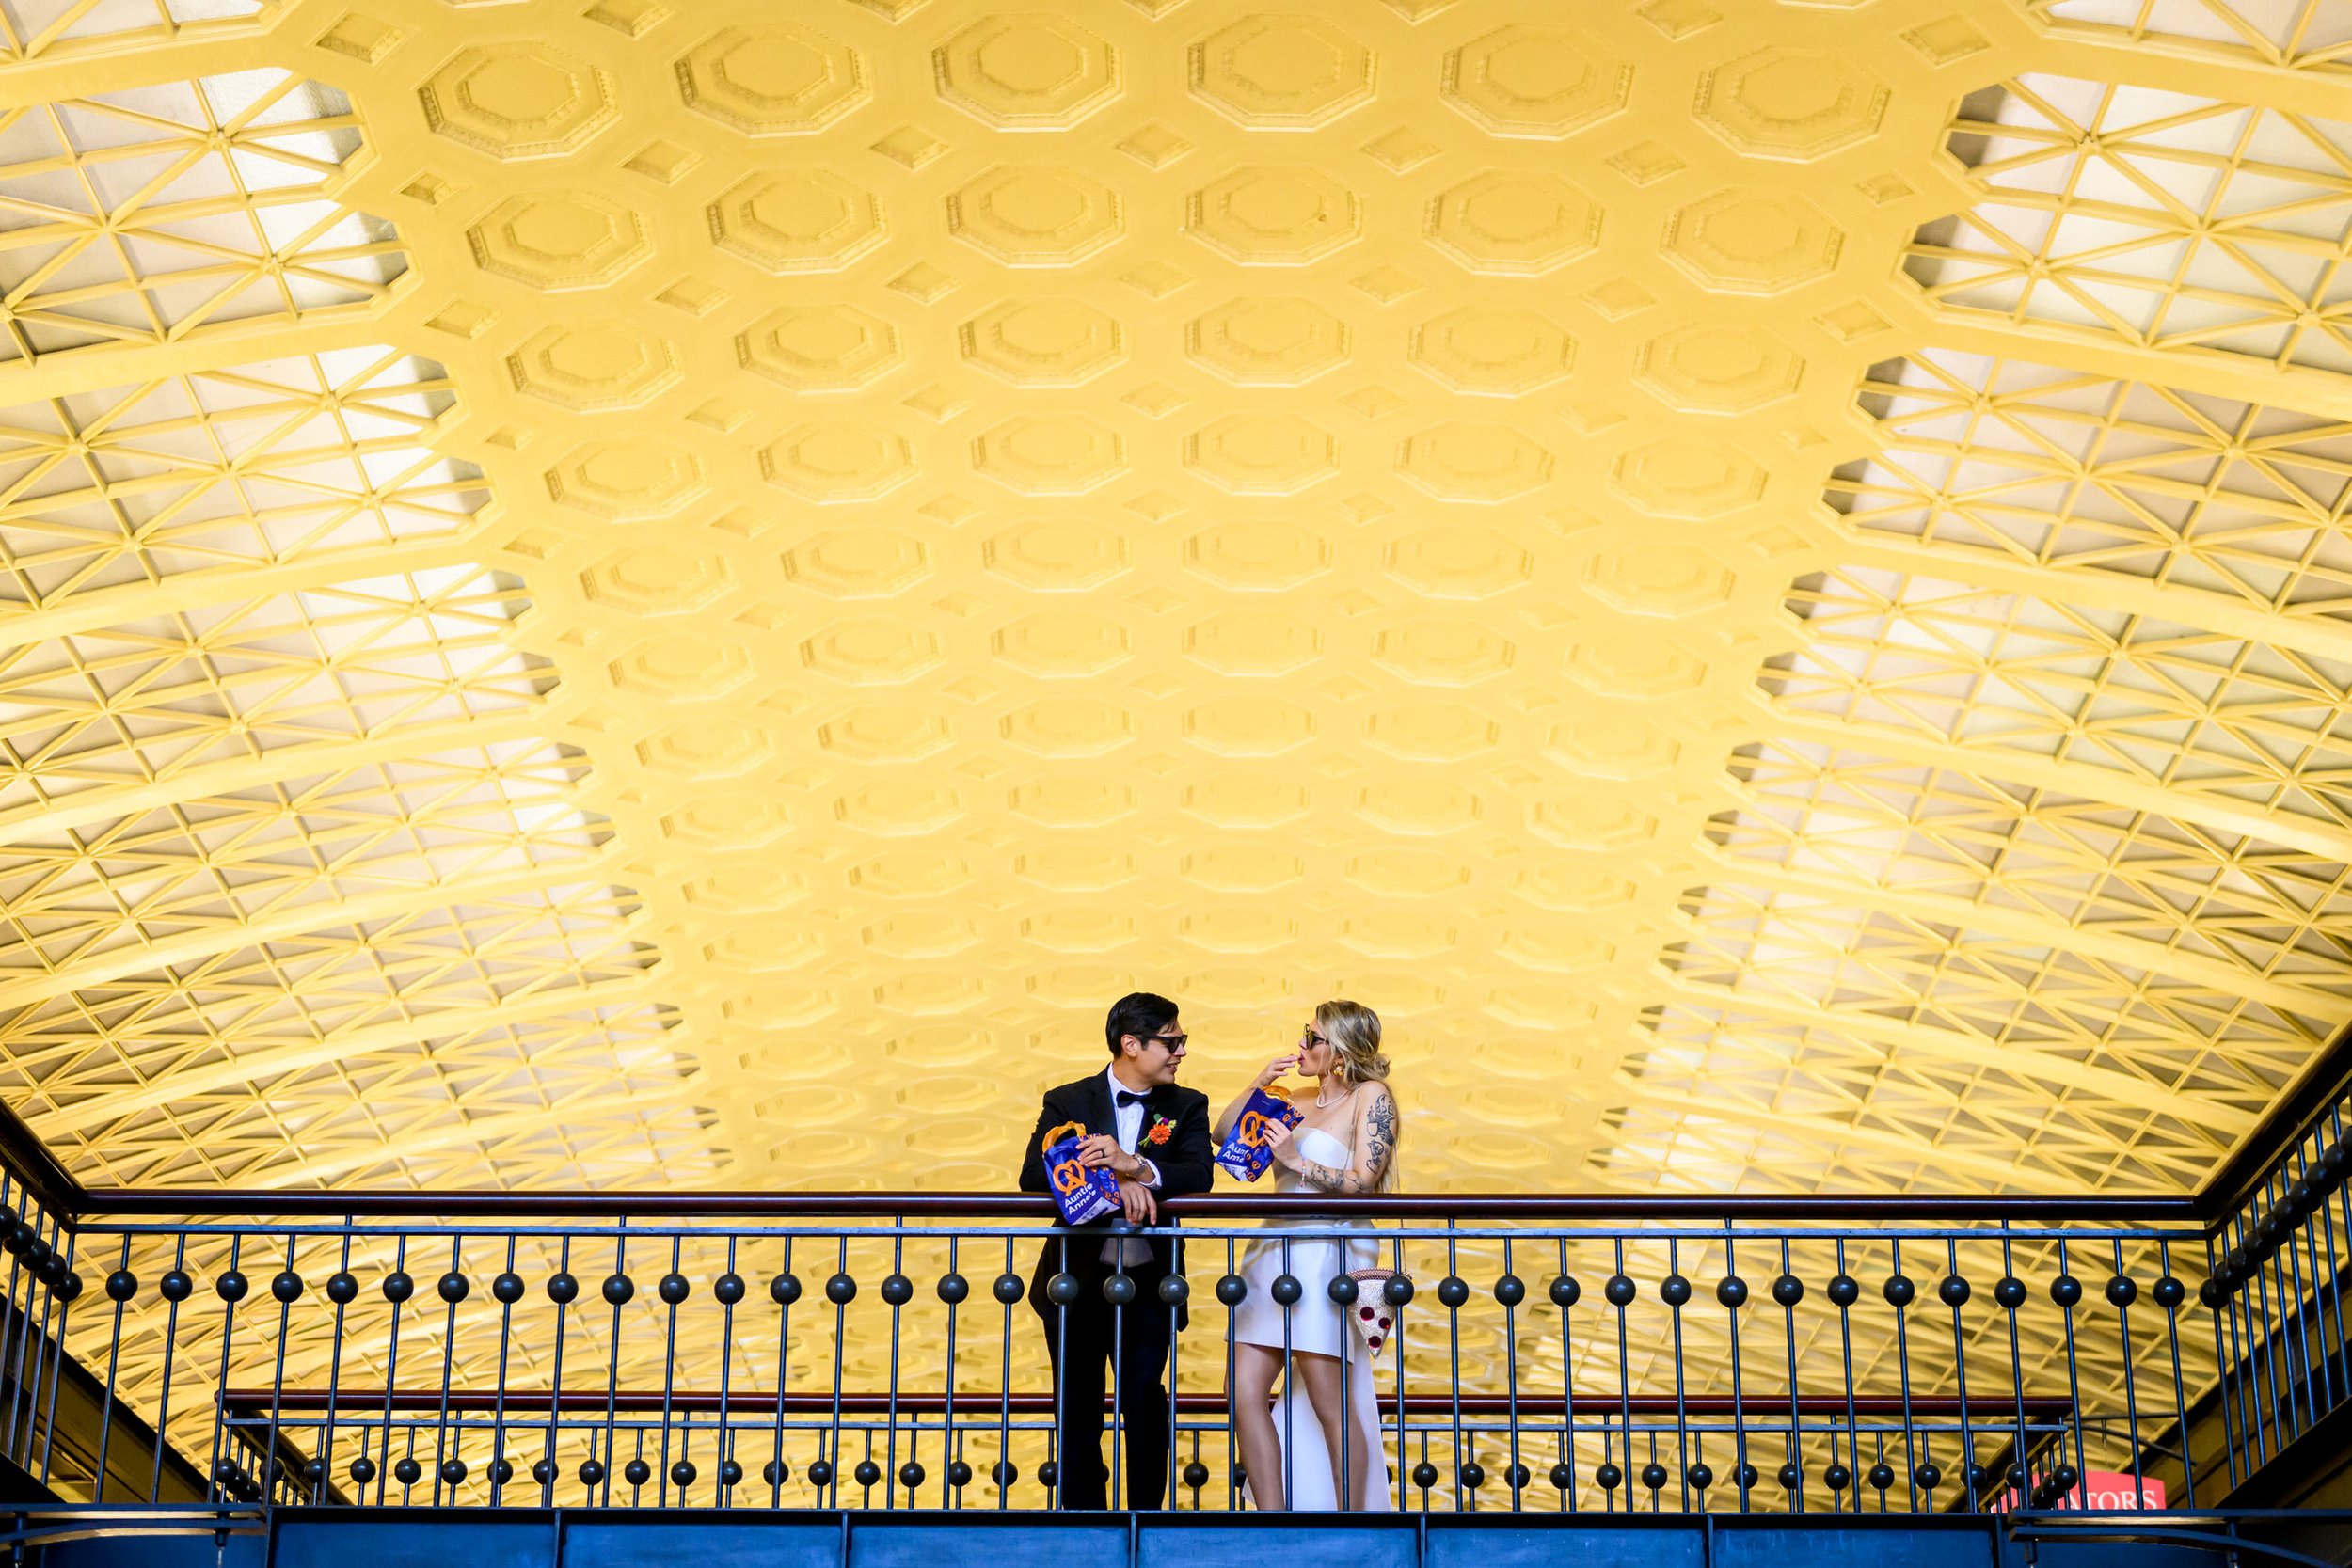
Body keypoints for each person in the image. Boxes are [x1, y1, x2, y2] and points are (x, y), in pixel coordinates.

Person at [1016, 991, 1215, 1510]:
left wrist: (1136, 1167)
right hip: (1074, 1281)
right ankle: (1084, 1526)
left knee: (1145, 1398)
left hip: (1151, 1283)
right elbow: (1033, 1176)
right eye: (1172, 1042)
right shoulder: (1069, 1100)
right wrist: (1112, 1181)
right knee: (1076, 1406)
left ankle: (1146, 1521)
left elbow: (1199, 1175)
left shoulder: (1188, 1104)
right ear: (1131, 1044)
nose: (1181, 1051)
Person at [1215, 999, 1399, 1512]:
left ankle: (1349, 1521)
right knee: (1241, 1390)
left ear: (1339, 1050)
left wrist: (1296, 1160)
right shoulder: (1292, 1098)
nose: (1301, 1045)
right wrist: (1258, 1084)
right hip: (1271, 1252)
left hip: (1325, 1256)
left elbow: (1364, 1181)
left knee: (1328, 1399)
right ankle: (1273, 1519)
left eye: (1312, 1037)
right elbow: (1224, 1135)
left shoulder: (1371, 1097)